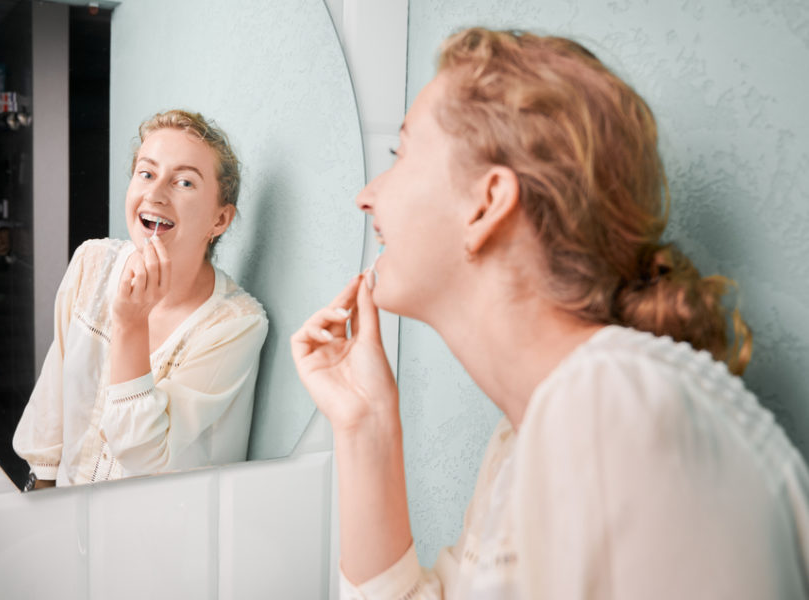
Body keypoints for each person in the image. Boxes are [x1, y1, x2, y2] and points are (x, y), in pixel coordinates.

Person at [292, 28, 809, 599]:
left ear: (486, 203)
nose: (366, 195)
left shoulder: (613, 408)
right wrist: (366, 425)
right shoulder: (530, 440)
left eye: (401, 153)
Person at [14, 110, 268, 488]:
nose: (155, 193)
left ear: (220, 220)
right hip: (66, 521)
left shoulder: (235, 325)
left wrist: (131, 324)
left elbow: (144, 459)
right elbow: (51, 406)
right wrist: (42, 494)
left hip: (159, 539)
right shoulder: (92, 263)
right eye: (146, 173)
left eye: (183, 182)